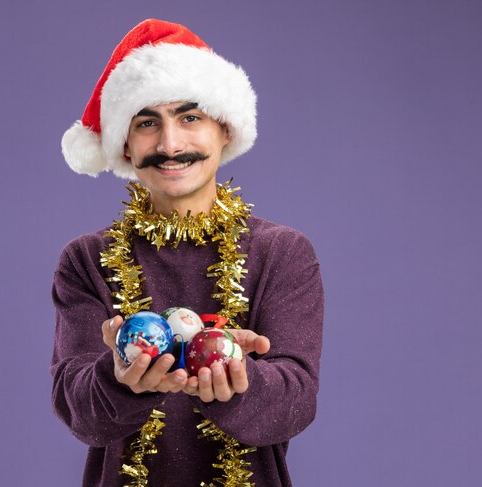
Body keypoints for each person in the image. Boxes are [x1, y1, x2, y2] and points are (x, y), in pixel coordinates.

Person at [51, 19, 324, 487]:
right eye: (146, 123)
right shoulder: (86, 260)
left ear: (224, 128)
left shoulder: (282, 253)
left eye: (190, 117)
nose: (170, 144)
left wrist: (237, 380)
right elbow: (79, 411)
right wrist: (120, 378)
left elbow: (294, 404)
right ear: (124, 144)